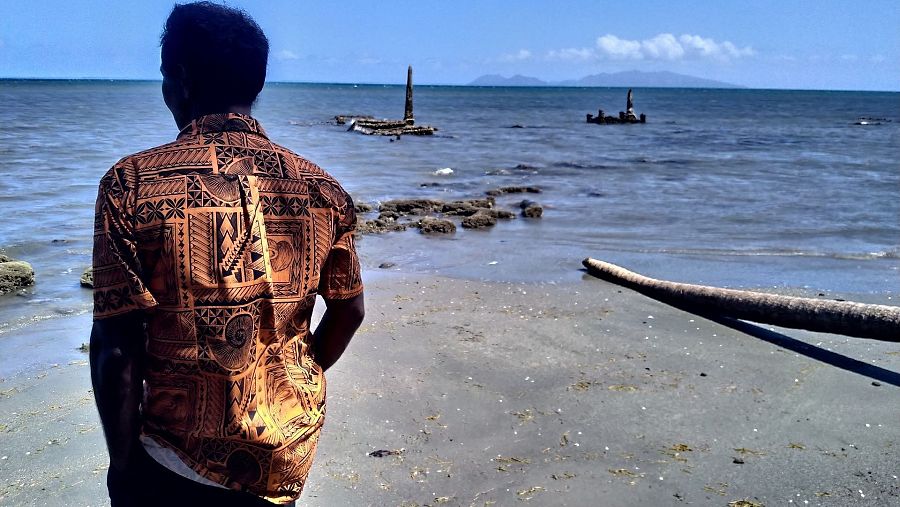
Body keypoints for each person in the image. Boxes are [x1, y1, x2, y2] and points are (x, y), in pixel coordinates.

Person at [89, 3, 365, 505]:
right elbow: (350, 310)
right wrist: (297, 381)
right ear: (254, 84)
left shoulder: (131, 185)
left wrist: (122, 465)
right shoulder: (323, 190)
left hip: (178, 456)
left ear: (182, 78)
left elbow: (116, 343)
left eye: (165, 75)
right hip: (285, 454)